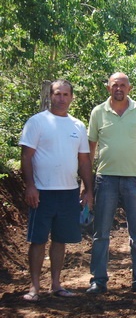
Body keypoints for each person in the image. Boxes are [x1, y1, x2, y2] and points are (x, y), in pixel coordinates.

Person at [19, 79, 93, 302]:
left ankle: (56, 284)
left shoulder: (77, 126)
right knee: (38, 240)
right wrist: (30, 186)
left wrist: (88, 189)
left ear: (71, 98)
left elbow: (84, 160)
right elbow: (26, 156)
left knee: (60, 240)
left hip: (68, 192)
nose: (61, 98)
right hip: (42, 191)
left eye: (65, 94)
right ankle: (34, 287)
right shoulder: (37, 122)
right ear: (50, 96)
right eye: (57, 94)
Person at [86, 72, 136, 295]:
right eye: (115, 85)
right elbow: (90, 150)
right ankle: (98, 280)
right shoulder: (98, 112)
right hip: (105, 179)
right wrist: (87, 185)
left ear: (130, 88)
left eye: (123, 85)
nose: (119, 88)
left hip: (134, 181)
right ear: (108, 88)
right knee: (101, 234)